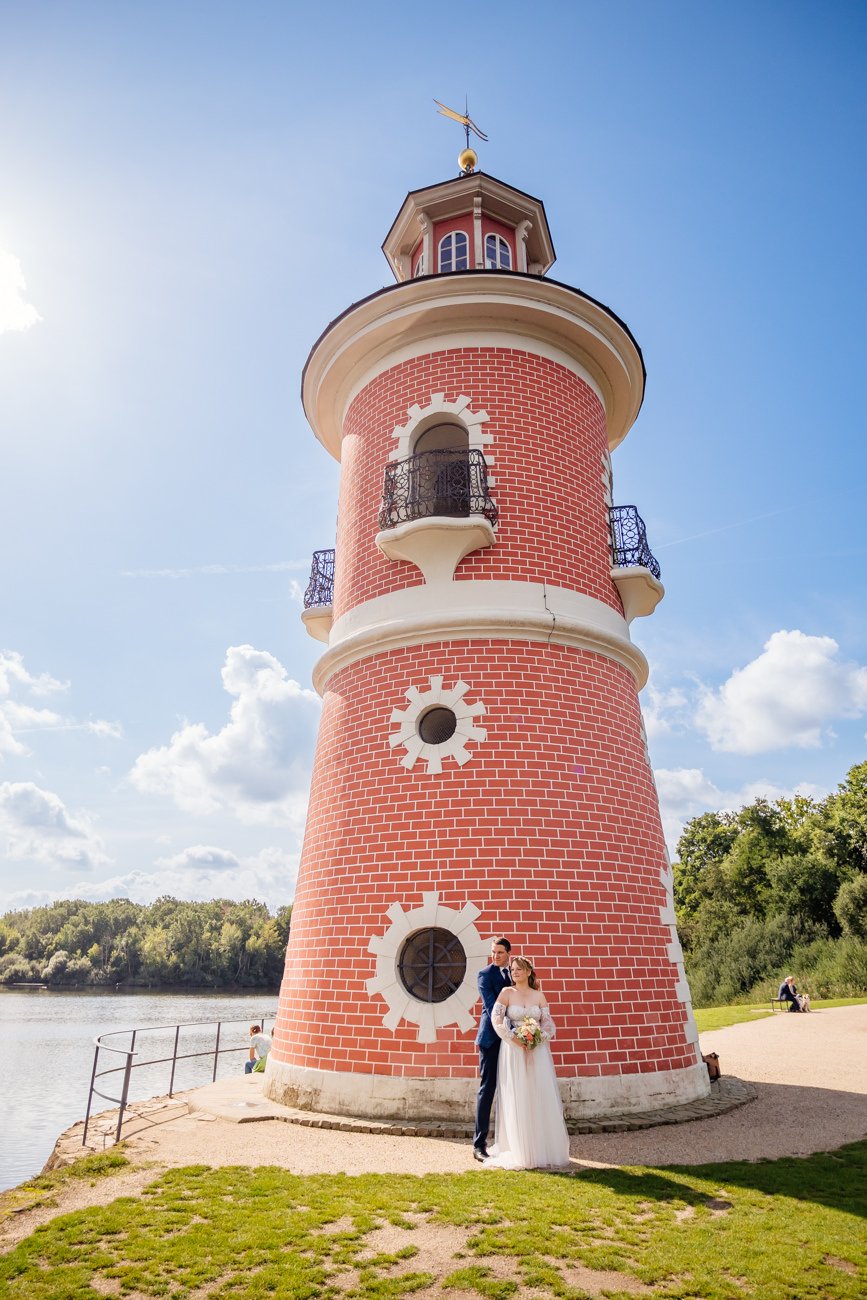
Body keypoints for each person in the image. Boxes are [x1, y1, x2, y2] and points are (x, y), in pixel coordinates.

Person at [484, 955, 571, 1169]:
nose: (515, 972)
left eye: (519, 969)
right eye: (512, 969)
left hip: (537, 1050)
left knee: (537, 1093)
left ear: (529, 972)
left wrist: (537, 1038)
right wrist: (514, 1038)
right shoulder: (506, 993)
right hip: (513, 1049)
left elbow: (548, 1024)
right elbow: (496, 1019)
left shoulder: (539, 996)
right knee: (518, 1093)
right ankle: (519, 1149)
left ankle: (541, 1148)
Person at [473, 938, 512, 1161]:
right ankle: (479, 1144)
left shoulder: (516, 973)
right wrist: (513, 1026)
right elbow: (492, 1007)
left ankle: (511, 1141)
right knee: (487, 1088)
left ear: (508, 953)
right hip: (491, 1038)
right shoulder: (485, 975)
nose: (495, 956)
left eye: (500, 952)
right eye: (493, 952)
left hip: (513, 1041)